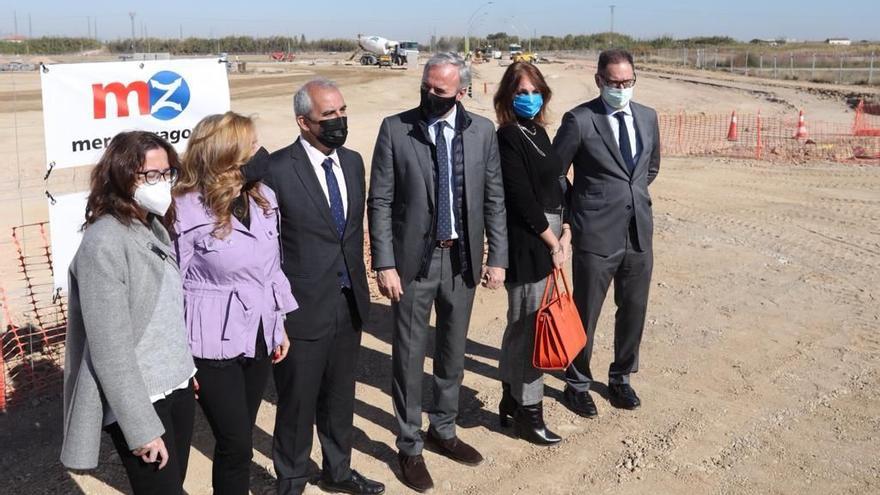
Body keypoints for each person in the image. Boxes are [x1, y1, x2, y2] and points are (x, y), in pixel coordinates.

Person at [368, 52, 508, 493]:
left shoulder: (483, 132)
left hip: (462, 262)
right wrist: (384, 263)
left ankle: (443, 429)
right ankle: (409, 445)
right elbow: (381, 202)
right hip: (413, 265)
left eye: (440, 90)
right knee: (408, 357)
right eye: (426, 86)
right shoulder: (396, 128)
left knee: (452, 353)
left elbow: (494, 199)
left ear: (462, 91)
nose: (430, 94)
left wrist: (498, 256)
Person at [241, 79, 384, 495]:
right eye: (329, 116)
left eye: (342, 111)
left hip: (348, 301)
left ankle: (338, 471)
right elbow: (263, 246)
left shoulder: (354, 162)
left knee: (340, 397)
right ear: (304, 122)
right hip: (300, 308)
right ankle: (292, 479)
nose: (340, 121)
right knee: (298, 402)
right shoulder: (276, 169)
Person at [61, 131, 196, 495]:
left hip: (176, 385)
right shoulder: (104, 242)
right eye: (149, 175)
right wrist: (141, 428)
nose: (162, 182)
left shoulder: (149, 225)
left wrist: (184, 370)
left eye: (166, 173)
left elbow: (164, 312)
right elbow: (111, 351)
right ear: (121, 176)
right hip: (141, 400)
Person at [172, 112, 297, 495]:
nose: (260, 151)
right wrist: (178, 357)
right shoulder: (184, 208)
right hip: (210, 346)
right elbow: (169, 286)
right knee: (236, 442)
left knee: (239, 438)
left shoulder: (262, 197)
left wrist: (280, 326)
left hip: (259, 336)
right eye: (252, 145)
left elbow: (271, 267)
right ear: (227, 153)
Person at [552, 48, 661, 416]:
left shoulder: (647, 117)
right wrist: (582, 208)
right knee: (586, 313)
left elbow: (650, 168)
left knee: (633, 308)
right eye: (614, 82)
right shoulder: (580, 120)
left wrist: (630, 197)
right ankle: (577, 381)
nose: (621, 88)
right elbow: (555, 174)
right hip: (595, 233)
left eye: (628, 82)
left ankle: (621, 378)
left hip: (637, 232)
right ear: (599, 80)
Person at [493, 62, 570, 445]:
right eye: (520, 92)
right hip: (530, 240)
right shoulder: (508, 136)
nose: (528, 97)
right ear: (507, 96)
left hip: (554, 233)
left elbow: (559, 183)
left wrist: (567, 228)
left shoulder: (539, 131)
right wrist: (553, 243)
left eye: (534, 90)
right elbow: (521, 197)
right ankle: (529, 412)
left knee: (523, 325)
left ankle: (510, 398)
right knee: (530, 330)